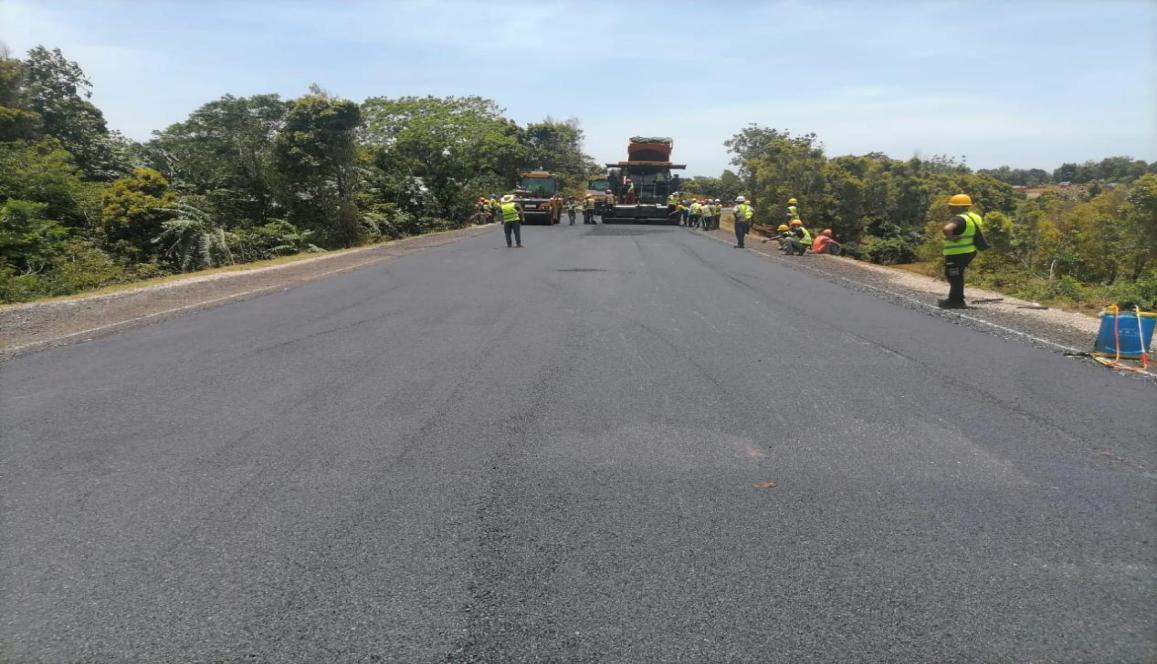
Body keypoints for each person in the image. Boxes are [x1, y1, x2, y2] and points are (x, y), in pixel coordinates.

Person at [940, 193, 987, 308]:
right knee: (957, 274)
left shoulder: (959, 218)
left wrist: (951, 237)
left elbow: (946, 229)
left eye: (952, 206)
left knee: (954, 275)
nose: (950, 209)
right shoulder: (975, 217)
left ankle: (956, 301)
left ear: (959, 207)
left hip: (957, 253)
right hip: (970, 251)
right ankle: (956, 298)